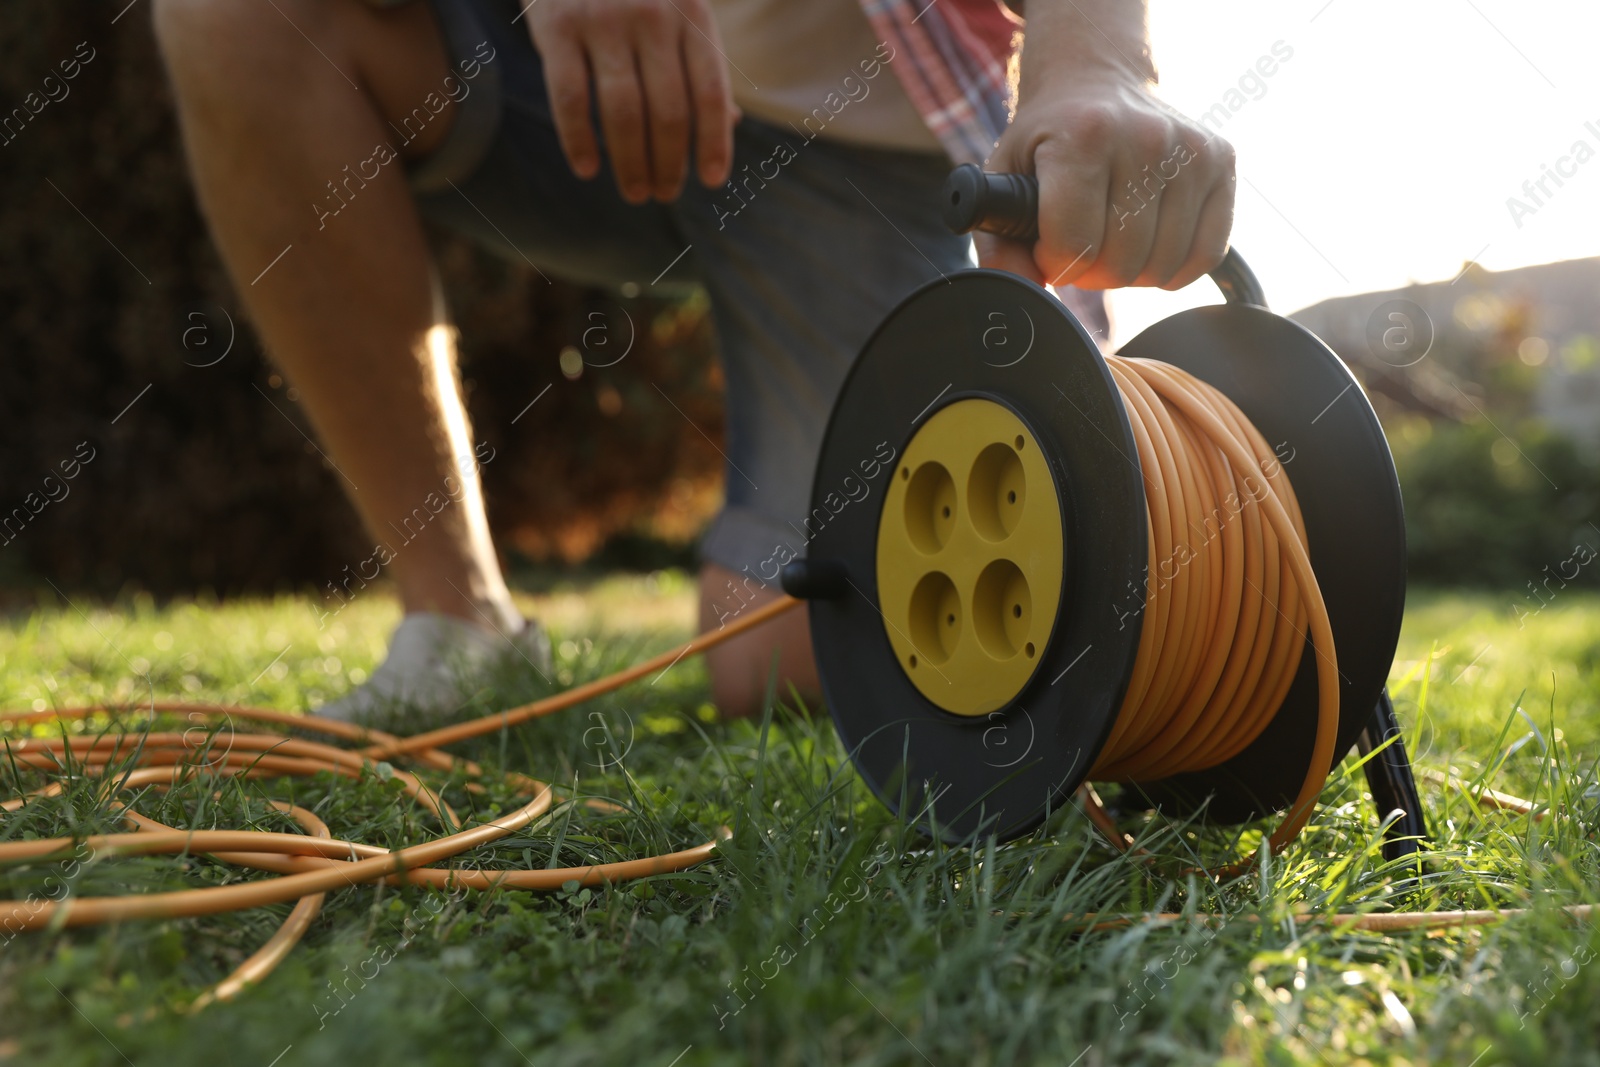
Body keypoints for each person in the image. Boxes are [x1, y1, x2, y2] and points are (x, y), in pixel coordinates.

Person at [150, 0, 1235, 721]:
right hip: (559, 60)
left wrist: (1095, 58)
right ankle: (459, 616)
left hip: (859, 140)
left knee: (785, 658)